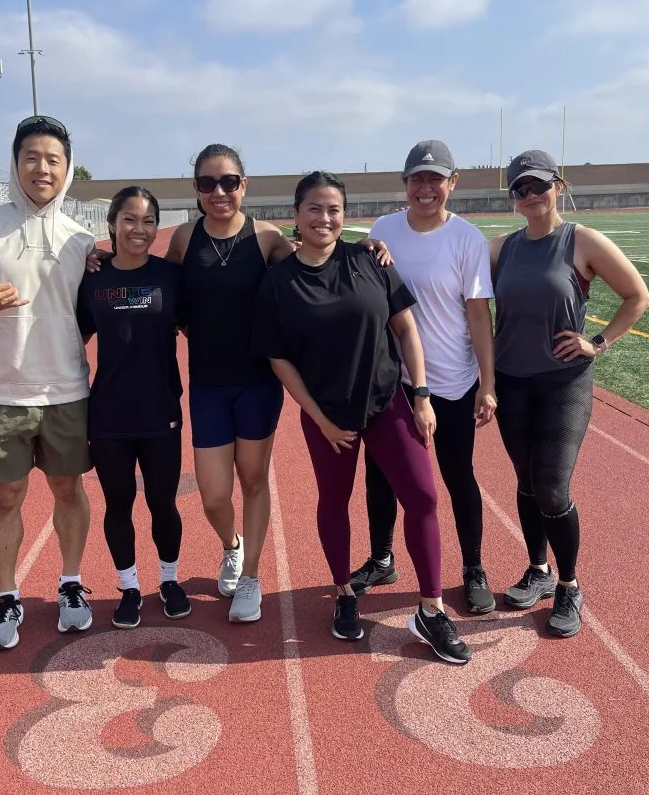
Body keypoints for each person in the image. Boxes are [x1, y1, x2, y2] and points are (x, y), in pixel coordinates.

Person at [163, 144, 390, 624]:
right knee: (213, 495)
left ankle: (250, 578)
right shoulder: (184, 238)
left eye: (229, 182)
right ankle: (232, 545)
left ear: (244, 185)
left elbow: (317, 266)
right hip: (206, 382)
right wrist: (100, 264)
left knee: (252, 478)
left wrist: (364, 249)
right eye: (208, 183)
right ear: (197, 189)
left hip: (258, 383)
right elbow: (164, 293)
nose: (219, 192)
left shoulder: (266, 238)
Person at [253, 171, 472, 665]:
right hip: (328, 415)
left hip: (386, 401)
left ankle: (431, 609)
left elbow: (406, 328)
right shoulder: (279, 282)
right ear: (296, 215)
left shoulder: (369, 259)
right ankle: (345, 595)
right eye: (313, 209)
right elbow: (279, 359)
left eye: (333, 209)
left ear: (343, 215)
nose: (324, 218)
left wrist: (421, 394)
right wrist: (318, 418)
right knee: (335, 499)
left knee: (422, 495)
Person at [0, 115, 96, 651]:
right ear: (15, 163)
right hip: (3, 391)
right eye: (32, 157)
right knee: (6, 496)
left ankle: (71, 583)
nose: (42, 168)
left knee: (68, 489)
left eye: (53, 159)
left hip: (67, 389)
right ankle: (7, 595)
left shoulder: (83, 239)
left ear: (67, 169)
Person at [491, 150, 649, 637]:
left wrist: (597, 342)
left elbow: (637, 296)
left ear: (558, 185)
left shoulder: (582, 241)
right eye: (520, 188)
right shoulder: (501, 248)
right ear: (513, 196)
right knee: (524, 479)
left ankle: (569, 585)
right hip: (511, 380)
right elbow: (443, 271)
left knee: (552, 487)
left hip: (564, 381)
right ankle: (537, 570)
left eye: (538, 184)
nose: (530, 195)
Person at [349, 140, 498, 614]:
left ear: (452, 183)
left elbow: (478, 316)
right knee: (381, 476)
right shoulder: (384, 228)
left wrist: (488, 383)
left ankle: (473, 568)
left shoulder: (467, 239)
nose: (426, 188)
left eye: (436, 179)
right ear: (405, 184)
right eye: (417, 178)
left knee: (458, 476)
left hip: (452, 382)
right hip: (391, 381)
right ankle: (381, 558)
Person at [76, 186, 190, 630]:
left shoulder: (171, 277)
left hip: (161, 410)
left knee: (163, 503)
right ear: (112, 225)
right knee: (117, 503)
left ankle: (170, 581)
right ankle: (128, 588)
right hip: (108, 414)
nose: (138, 229)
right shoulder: (92, 277)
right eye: (129, 219)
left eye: (147, 221)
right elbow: (75, 335)